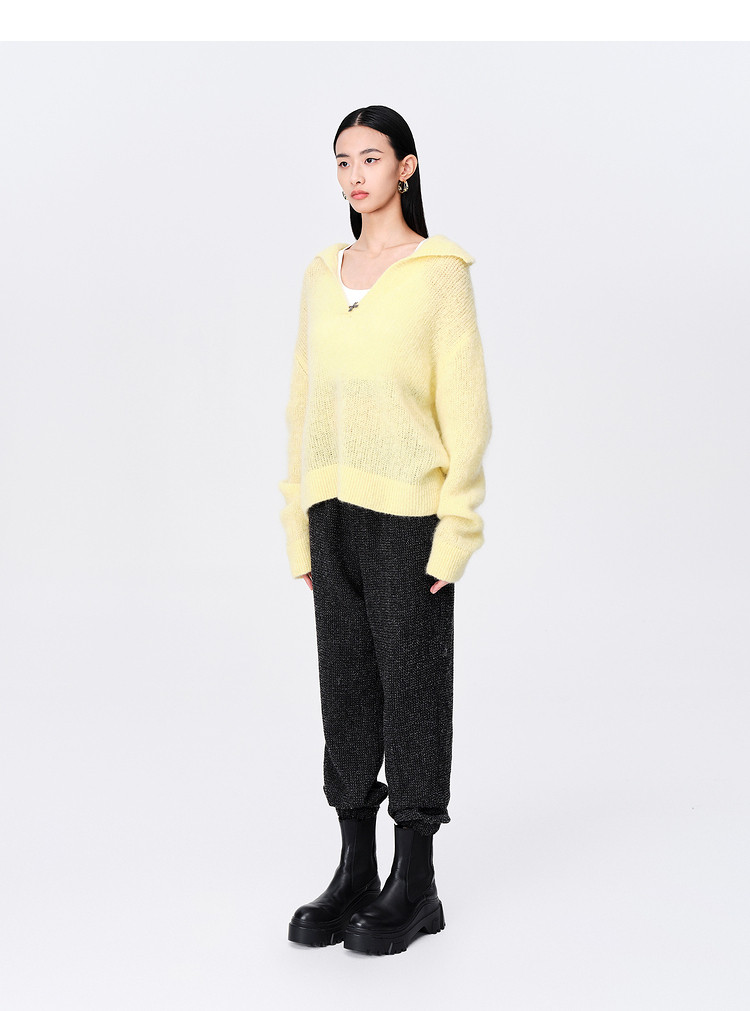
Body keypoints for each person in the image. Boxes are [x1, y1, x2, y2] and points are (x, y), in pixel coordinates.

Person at [279, 105, 492, 956]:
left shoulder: (438, 275)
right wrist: (297, 521)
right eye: (342, 161)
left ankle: (417, 880)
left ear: (406, 167)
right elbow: (302, 404)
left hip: (409, 516)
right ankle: (355, 869)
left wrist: (457, 528)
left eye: (370, 158)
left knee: (413, 690)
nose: (354, 175)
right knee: (346, 691)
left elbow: (466, 410)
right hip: (330, 511)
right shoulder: (320, 274)